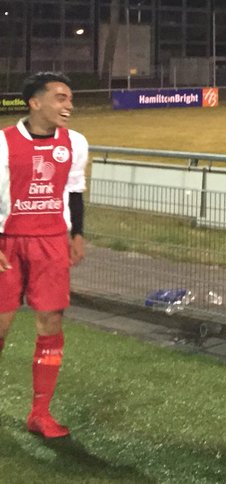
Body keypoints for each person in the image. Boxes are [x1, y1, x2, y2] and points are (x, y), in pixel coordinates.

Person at [0, 72, 89, 439]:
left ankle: (40, 412)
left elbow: (75, 191)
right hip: (7, 242)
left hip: (52, 242)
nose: (68, 105)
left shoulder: (75, 143)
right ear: (35, 103)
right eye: (61, 98)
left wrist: (78, 234)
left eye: (70, 99)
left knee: (50, 325)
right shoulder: (3, 143)